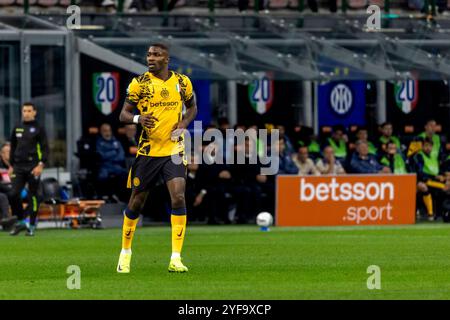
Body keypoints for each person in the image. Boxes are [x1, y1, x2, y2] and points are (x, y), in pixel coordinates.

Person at [117, 43, 197, 273]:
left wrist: (183, 123)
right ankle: (125, 252)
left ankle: (175, 258)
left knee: (179, 197)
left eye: (156, 55)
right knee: (136, 202)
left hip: (173, 151)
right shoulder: (139, 83)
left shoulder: (182, 82)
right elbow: (123, 114)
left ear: (166, 59)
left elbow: (192, 108)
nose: (150, 58)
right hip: (148, 153)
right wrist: (138, 119)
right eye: (149, 54)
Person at [9, 102, 49, 236]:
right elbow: (13, 147)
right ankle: (21, 221)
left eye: (29, 111)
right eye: (24, 111)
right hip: (18, 166)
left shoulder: (39, 128)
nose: (26, 113)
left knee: (33, 196)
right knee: (13, 194)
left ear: (34, 112)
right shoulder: (17, 127)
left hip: (33, 166)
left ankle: (31, 225)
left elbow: (45, 148)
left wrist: (41, 165)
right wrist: (10, 165)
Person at [413, 138, 446, 221]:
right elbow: (419, 172)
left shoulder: (433, 157)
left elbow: (437, 170)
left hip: (434, 180)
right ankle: (431, 214)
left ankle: (440, 213)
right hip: (425, 180)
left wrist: (444, 175)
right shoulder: (419, 156)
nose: (428, 148)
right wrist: (435, 177)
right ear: (422, 146)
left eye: (430, 146)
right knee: (444, 188)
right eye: (426, 146)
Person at [96, 123, 128, 202]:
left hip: (116, 166)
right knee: (102, 176)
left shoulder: (117, 142)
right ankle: (105, 196)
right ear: (101, 132)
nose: (107, 133)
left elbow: (121, 157)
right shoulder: (99, 142)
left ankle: (121, 197)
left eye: (108, 130)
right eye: (105, 131)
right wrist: (114, 152)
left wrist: (109, 154)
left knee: (126, 174)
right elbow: (101, 156)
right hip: (105, 166)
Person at [0, 142, 16, 231]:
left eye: (11, 151)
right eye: (7, 151)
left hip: (13, 189)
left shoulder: (16, 164)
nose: (10, 153)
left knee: (35, 195)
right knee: (3, 197)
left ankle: (18, 220)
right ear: (1, 153)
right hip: (4, 189)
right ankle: (6, 221)